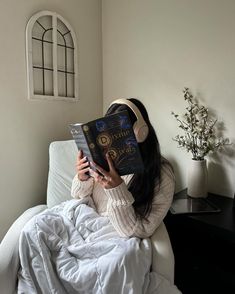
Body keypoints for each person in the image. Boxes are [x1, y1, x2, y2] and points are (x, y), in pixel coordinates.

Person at [71, 98, 175, 238]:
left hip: (114, 237)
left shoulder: (162, 174)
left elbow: (138, 231)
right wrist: (82, 177)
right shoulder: (104, 158)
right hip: (82, 224)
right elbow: (78, 197)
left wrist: (117, 190)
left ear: (140, 132)